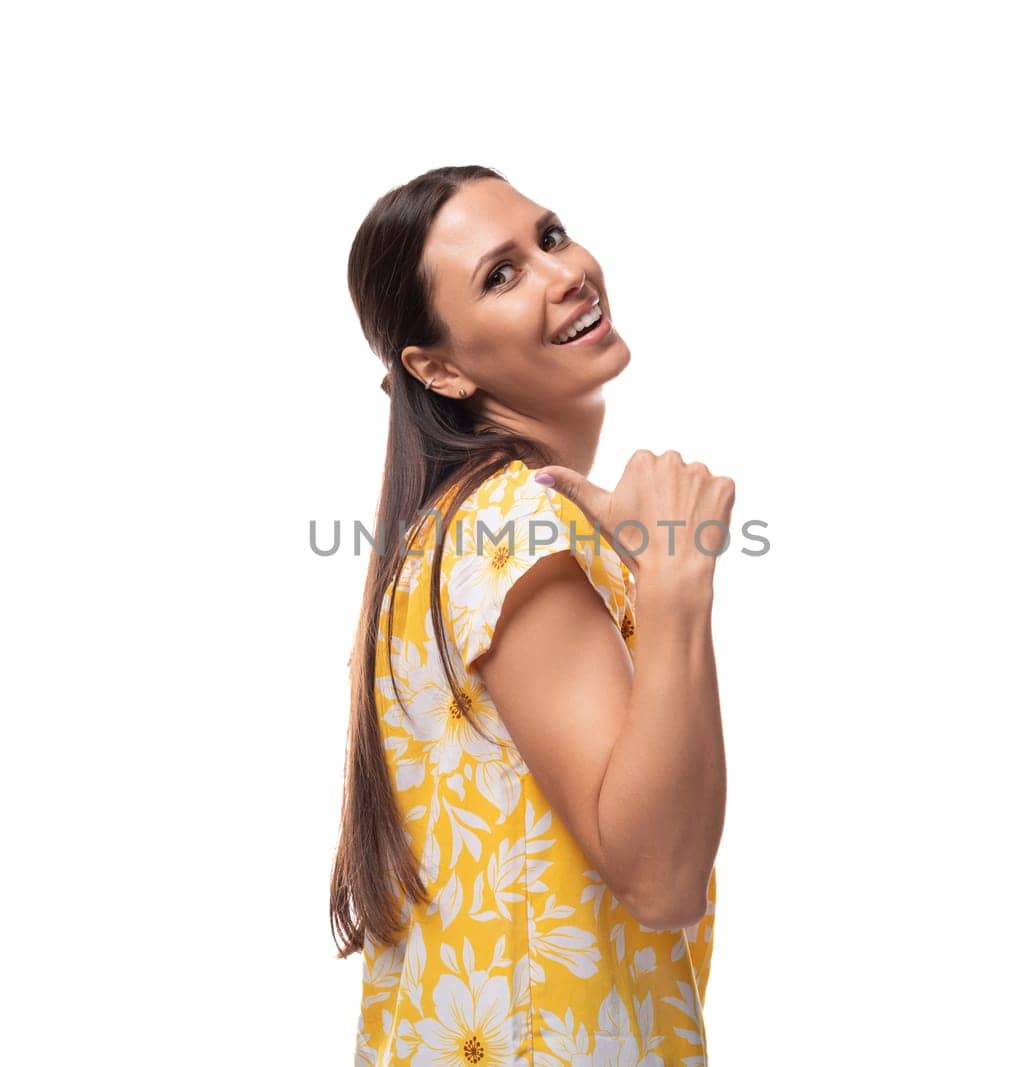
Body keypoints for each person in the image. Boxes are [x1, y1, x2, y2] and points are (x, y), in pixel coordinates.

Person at [332, 164, 732, 1065]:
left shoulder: (456, 527)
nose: (563, 273)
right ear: (437, 368)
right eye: (500, 274)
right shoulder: (512, 526)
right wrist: (678, 577)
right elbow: (661, 878)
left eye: (550, 237)